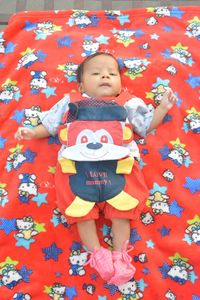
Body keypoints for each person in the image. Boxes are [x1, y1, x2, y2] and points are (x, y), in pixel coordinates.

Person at [15, 52, 177, 285]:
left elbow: (144, 126)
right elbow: (49, 126)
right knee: (81, 212)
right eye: (96, 72)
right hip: (76, 168)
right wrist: (32, 132)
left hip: (120, 167)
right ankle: (97, 253)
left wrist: (161, 109)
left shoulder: (129, 103)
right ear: (81, 84)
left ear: (120, 82)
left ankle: (120, 255)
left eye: (112, 73)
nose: (105, 75)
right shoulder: (69, 102)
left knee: (123, 212)